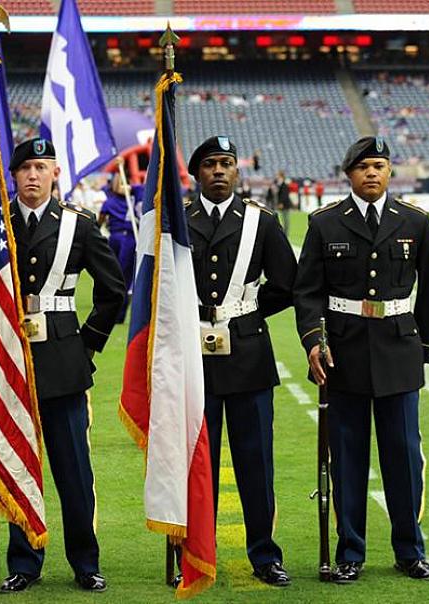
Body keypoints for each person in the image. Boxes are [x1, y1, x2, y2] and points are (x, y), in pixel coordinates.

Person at [293, 136, 429, 584]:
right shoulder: (325, 224)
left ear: (389, 171)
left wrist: (424, 349)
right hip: (344, 354)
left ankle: (409, 549)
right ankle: (350, 552)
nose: (372, 174)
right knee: (348, 458)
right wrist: (313, 341)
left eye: (379, 166)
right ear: (349, 175)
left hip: (399, 352)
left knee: (402, 458)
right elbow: (308, 291)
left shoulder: (414, 221)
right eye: (363, 168)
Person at [0, 138, 126, 594]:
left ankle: (84, 561)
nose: (32, 175)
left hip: (63, 366)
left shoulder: (79, 225)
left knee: (74, 471)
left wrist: (86, 343)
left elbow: (114, 289)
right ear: (12, 176)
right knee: (16, 464)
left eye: (41, 167)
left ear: (55, 174)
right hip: (12, 364)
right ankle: (24, 562)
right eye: (25, 168)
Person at [185, 136, 297, 587]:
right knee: (198, 463)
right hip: (194, 359)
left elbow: (287, 283)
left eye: (226, 164)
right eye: (210, 164)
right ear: (195, 174)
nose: (218, 171)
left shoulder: (261, 222)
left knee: (256, 463)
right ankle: (197, 551)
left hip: (248, 355)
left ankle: (265, 555)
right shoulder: (178, 222)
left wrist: (244, 314)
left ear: (237, 172)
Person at [98, 171, 140, 323]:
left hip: (126, 238)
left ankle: (118, 313)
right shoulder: (113, 201)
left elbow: (99, 222)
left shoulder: (132, 198)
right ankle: (116, 312)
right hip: (119, 238)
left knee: (120, 277)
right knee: (118, 277)